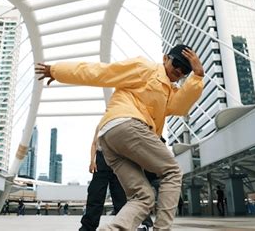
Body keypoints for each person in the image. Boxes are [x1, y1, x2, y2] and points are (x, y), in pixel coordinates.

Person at [36, 44, 204, 230]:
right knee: (172, 172)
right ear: (165, 58)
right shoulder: (145, 68)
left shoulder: (169, 91)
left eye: (184, 71)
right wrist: (57, 71)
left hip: (111, 140)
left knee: (143, 196)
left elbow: (180, 107)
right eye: (177, 64)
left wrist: (197, 76)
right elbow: (101, 72)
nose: (179, 71)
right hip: (127, 125)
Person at [79, 126, 127, 231]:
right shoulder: (101, 124)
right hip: (101, 160)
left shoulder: (122, 122)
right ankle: (88, 227)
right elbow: (94, 144)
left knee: (121, 198)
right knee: (95, 195)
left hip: (118, 159)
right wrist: (92, 161)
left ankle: (123, 227)